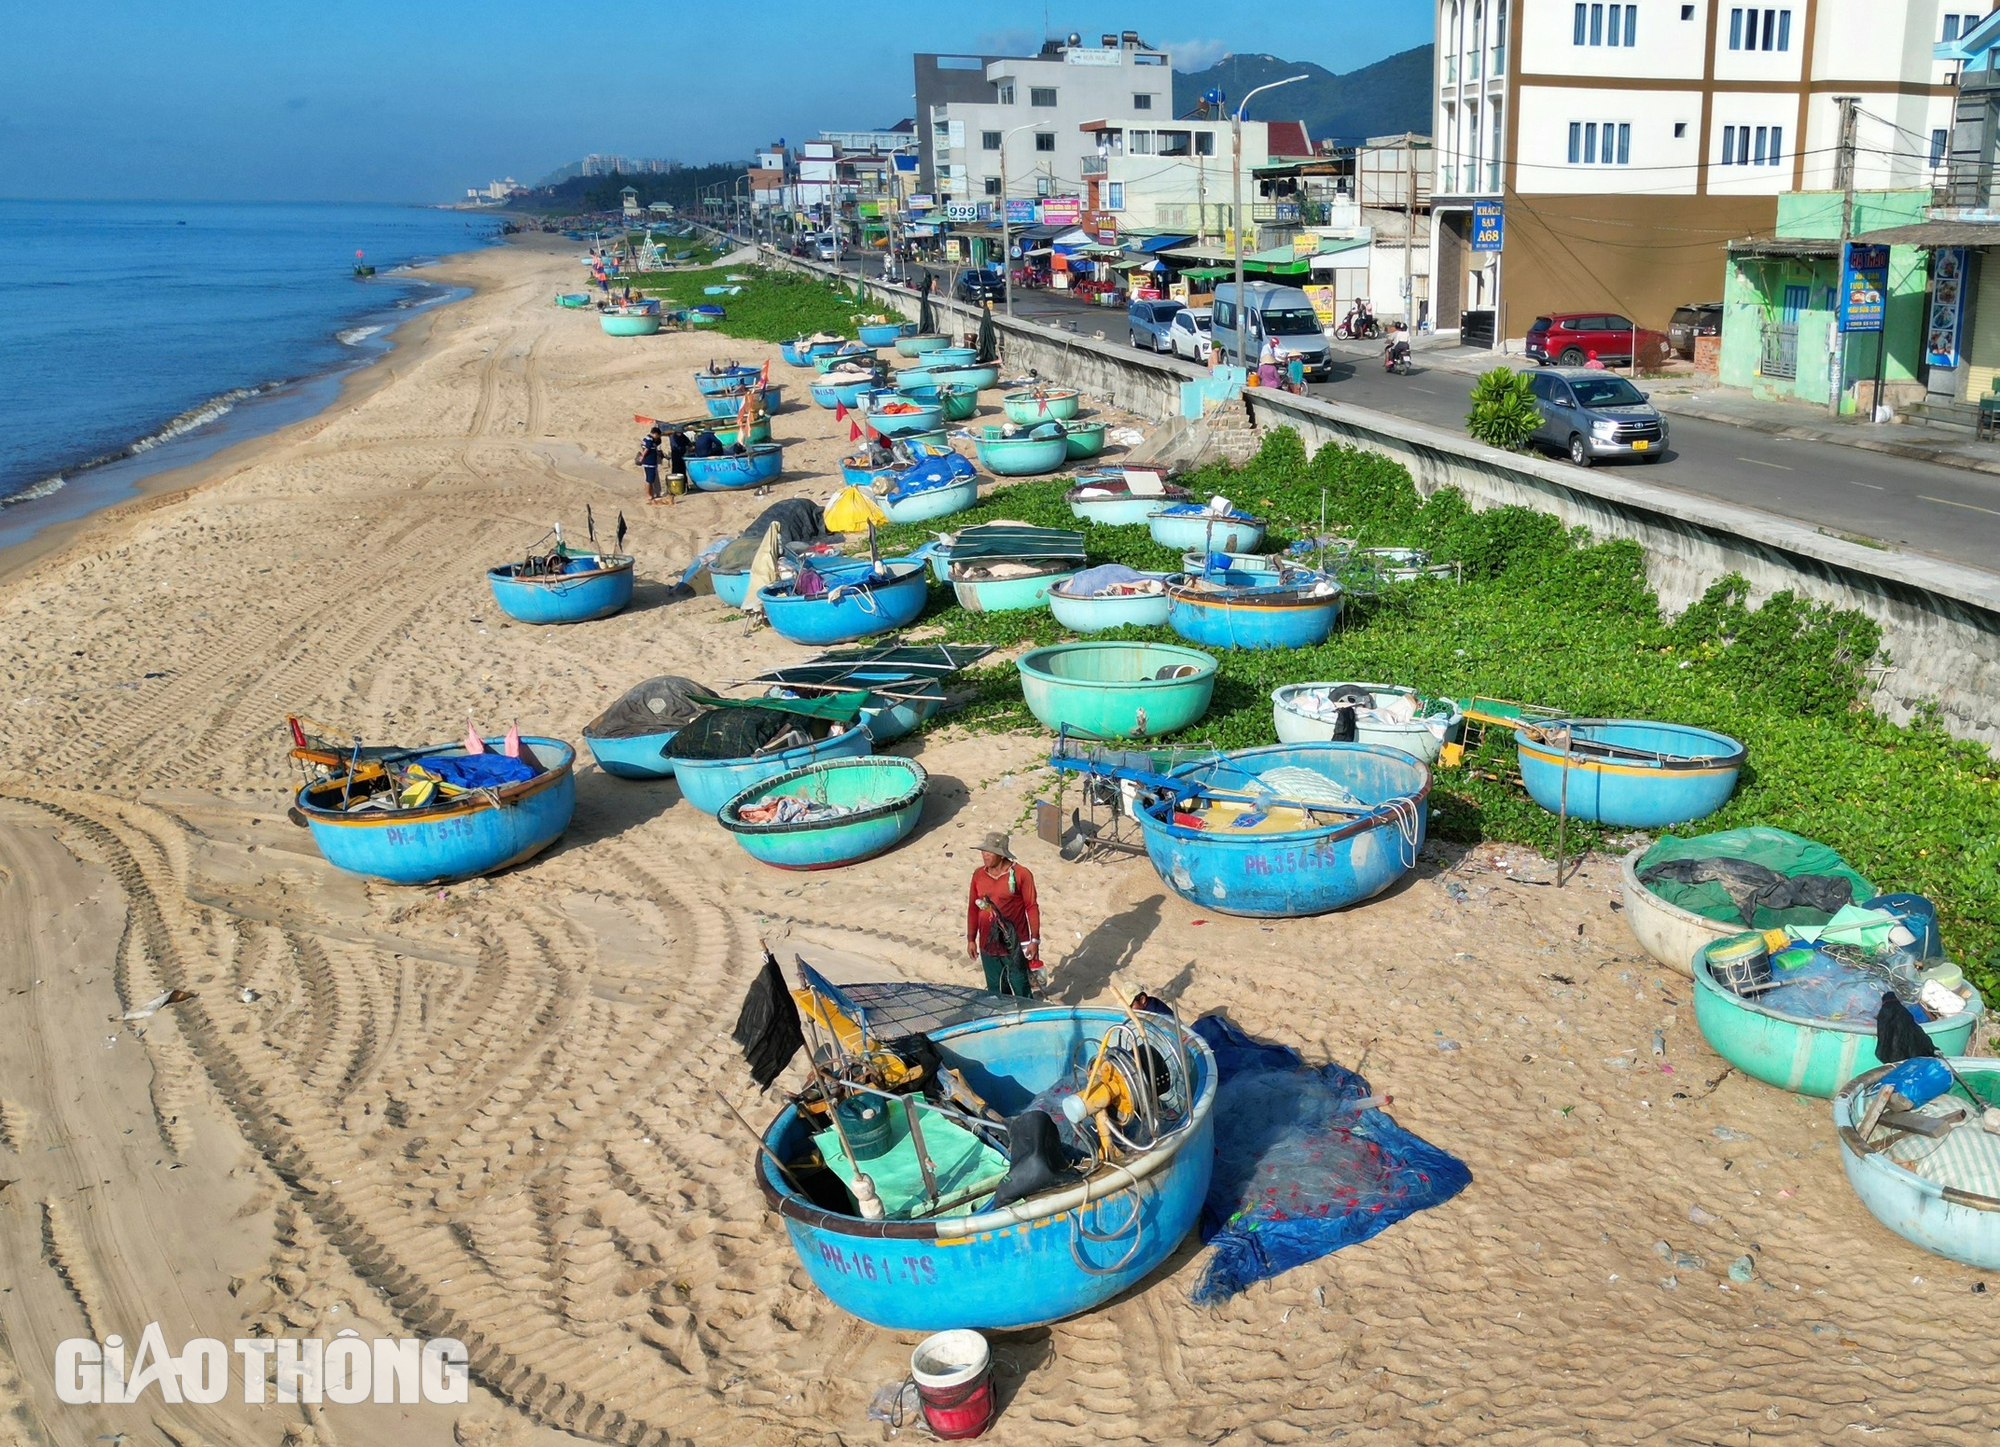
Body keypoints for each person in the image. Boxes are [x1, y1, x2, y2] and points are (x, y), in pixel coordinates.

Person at [965, 831, 1040, 998]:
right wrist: (971, 939)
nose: (985, 855)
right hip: (988, 944)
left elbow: (1032, 906)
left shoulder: (1021, 874)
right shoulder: (978, 875)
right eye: (983, 851)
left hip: (1016, 944)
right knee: (996, 992)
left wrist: (1034, 940)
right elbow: (973, 908)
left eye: (989, 852)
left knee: (1021, 987)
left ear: (1001, 855)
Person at [635, 426, 663, 500]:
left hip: (651, 462)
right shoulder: (650, 440)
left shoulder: (646, 438)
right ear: (656, 434)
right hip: (649, 463)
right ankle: (648, 495)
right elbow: (646, 449)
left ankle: (652, 493)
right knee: (649, 479)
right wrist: (642, 457)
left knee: (651, 479)